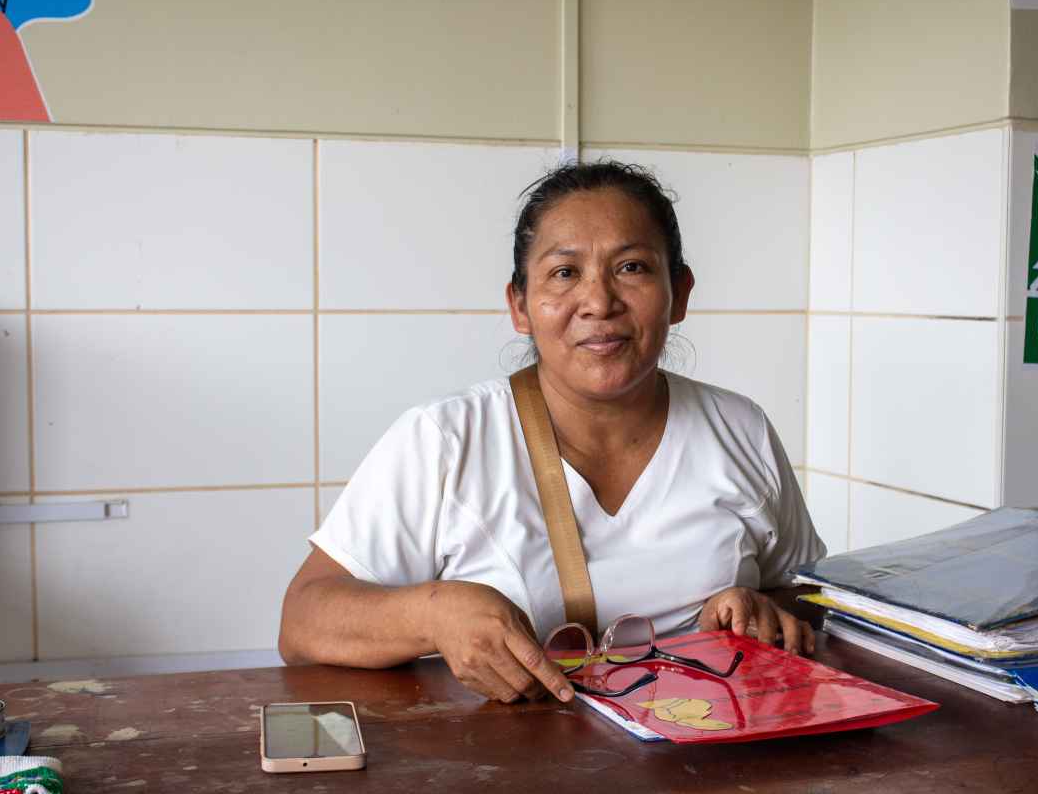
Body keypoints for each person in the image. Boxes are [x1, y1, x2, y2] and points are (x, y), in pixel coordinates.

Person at [278, 161, 827, 704]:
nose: (599, 303)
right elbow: (303, 621)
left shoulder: (740, 428)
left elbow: (805, 596)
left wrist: (762, 611)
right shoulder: (447, 438)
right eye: (565, 273)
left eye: (632, 267)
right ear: (520, 305)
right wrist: (431, 614)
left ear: (678, 294)